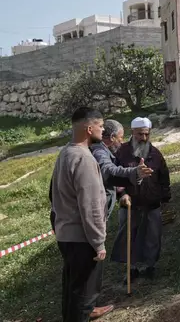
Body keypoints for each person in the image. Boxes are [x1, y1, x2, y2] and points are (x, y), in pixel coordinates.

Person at [50, 107, 114, 321]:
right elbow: (91, 206)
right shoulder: (85, 159)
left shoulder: (65, 153)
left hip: (66, 236)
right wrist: (98, 242)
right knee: (84, 296)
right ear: (89, 128)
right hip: (82, 239)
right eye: (101, 125)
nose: (103, 130)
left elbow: (53, 194)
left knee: (72, 290)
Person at [111, 117, 171, 283]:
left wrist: (165, 198)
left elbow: (164, 177)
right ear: (132, 133)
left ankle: (150, 266)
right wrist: (122, 194)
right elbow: (115, 176)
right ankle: (132, 268)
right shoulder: (121, 153)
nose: (143, 138)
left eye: (146, 134)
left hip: (151, 203)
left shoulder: (155, 154)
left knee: (153, 235)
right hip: (130, 204)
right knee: (130, 237)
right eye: (139, 134)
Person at [90, 119, 153, 219]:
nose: (122, 141)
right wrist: (135, 173)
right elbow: (108, 171)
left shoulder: (105, 151)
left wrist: (121, 193)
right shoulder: (98, 152)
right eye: (120, 138)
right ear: (112, 137)